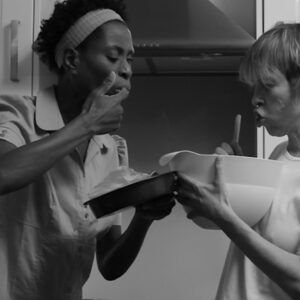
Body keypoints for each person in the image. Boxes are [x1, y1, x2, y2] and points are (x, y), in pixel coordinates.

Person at [0, 0, 175, 299]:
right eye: (113, 56)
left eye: (130, 60)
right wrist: (87, 123)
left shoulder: (112, 149)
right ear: (71, 60)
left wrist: (143, 217)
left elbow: (109, 263)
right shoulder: (16, 115)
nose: (126, 70)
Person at [176, 23, 300, 300]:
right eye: (253, 88)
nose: (255, 98)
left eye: (267, 86)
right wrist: (239, 180)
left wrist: (225, 217)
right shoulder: (280, 154)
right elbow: (263, 239)